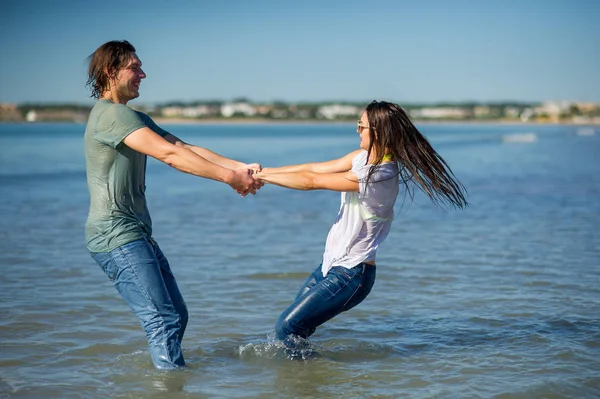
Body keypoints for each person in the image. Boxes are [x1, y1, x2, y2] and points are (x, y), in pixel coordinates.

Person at [84, 40, 261, 370]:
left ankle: (167, 377)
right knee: (163, 320)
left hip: (135, 233)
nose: (143, 74)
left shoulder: (131, 116)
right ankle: (170, 386)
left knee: (175, 314)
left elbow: (183, 146)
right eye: (134, 68)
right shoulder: (111, 116)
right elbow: (170, 156)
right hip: (115, 237)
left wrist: (240, 167)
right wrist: (229, 178)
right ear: (111, 71)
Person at [254, 100, 468, 349]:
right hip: (330, 266)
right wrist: (264, 172)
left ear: (379, 132)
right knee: (293, 333)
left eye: (362, 126)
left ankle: (311, 382)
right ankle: (306, 382)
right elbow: (312, 167)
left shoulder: (380, 174)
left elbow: (312, 180)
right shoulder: (361, 158)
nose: (357, 130)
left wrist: (262, 178)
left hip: (352, 274)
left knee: (287, 328)